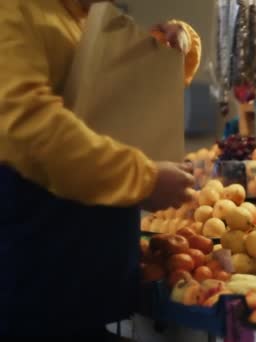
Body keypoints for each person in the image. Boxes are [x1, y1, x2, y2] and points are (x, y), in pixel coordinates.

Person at [0, 0, 202, 338]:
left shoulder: (80, 16)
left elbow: (113, 104)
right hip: (36, 280)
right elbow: (27, 129)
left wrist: (170, 49)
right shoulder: (16, 10)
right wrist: (145, 180)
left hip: (78, 286)